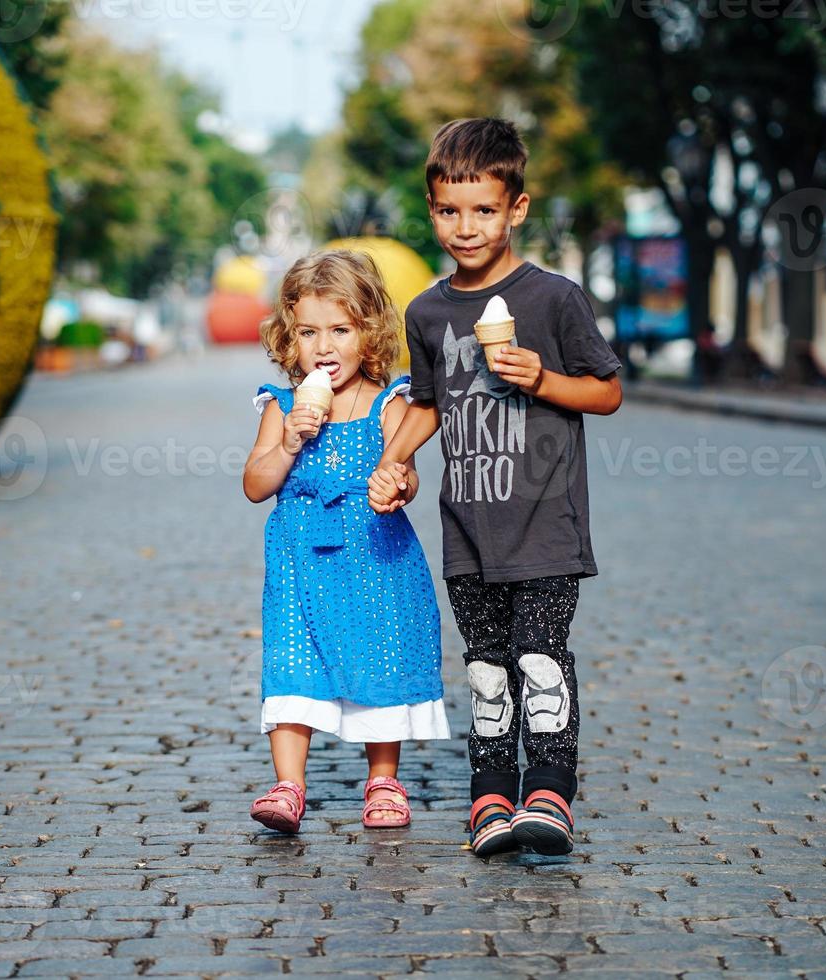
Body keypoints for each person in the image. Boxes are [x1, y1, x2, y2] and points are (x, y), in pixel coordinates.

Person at [368, 118, 623, 858]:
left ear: (516, 208)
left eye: (483, 210)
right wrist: (394, 462)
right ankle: (489, 800)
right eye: (449, 211)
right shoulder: (426, 312)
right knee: (484, 667)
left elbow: (605, 394)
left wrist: (543, 379)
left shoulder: (553, 299)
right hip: (467, 527)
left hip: (546, 524)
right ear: (431, 210)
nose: (465, 227)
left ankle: (548, 791)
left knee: (539, 658)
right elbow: (424, 403)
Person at [241, 249, 449, 834]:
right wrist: (286, 444)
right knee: (292, 660)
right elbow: (255, 485)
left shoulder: (390, 401)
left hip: (374, 559)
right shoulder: (280, 407)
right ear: (289, 336)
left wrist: (397, 481)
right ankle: (289, 785)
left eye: (341, 330)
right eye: (309, 332)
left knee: (380, 655)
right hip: (299, 562)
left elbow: (403, 467)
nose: (324, 347)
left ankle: (383, 779)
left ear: (370, 333)